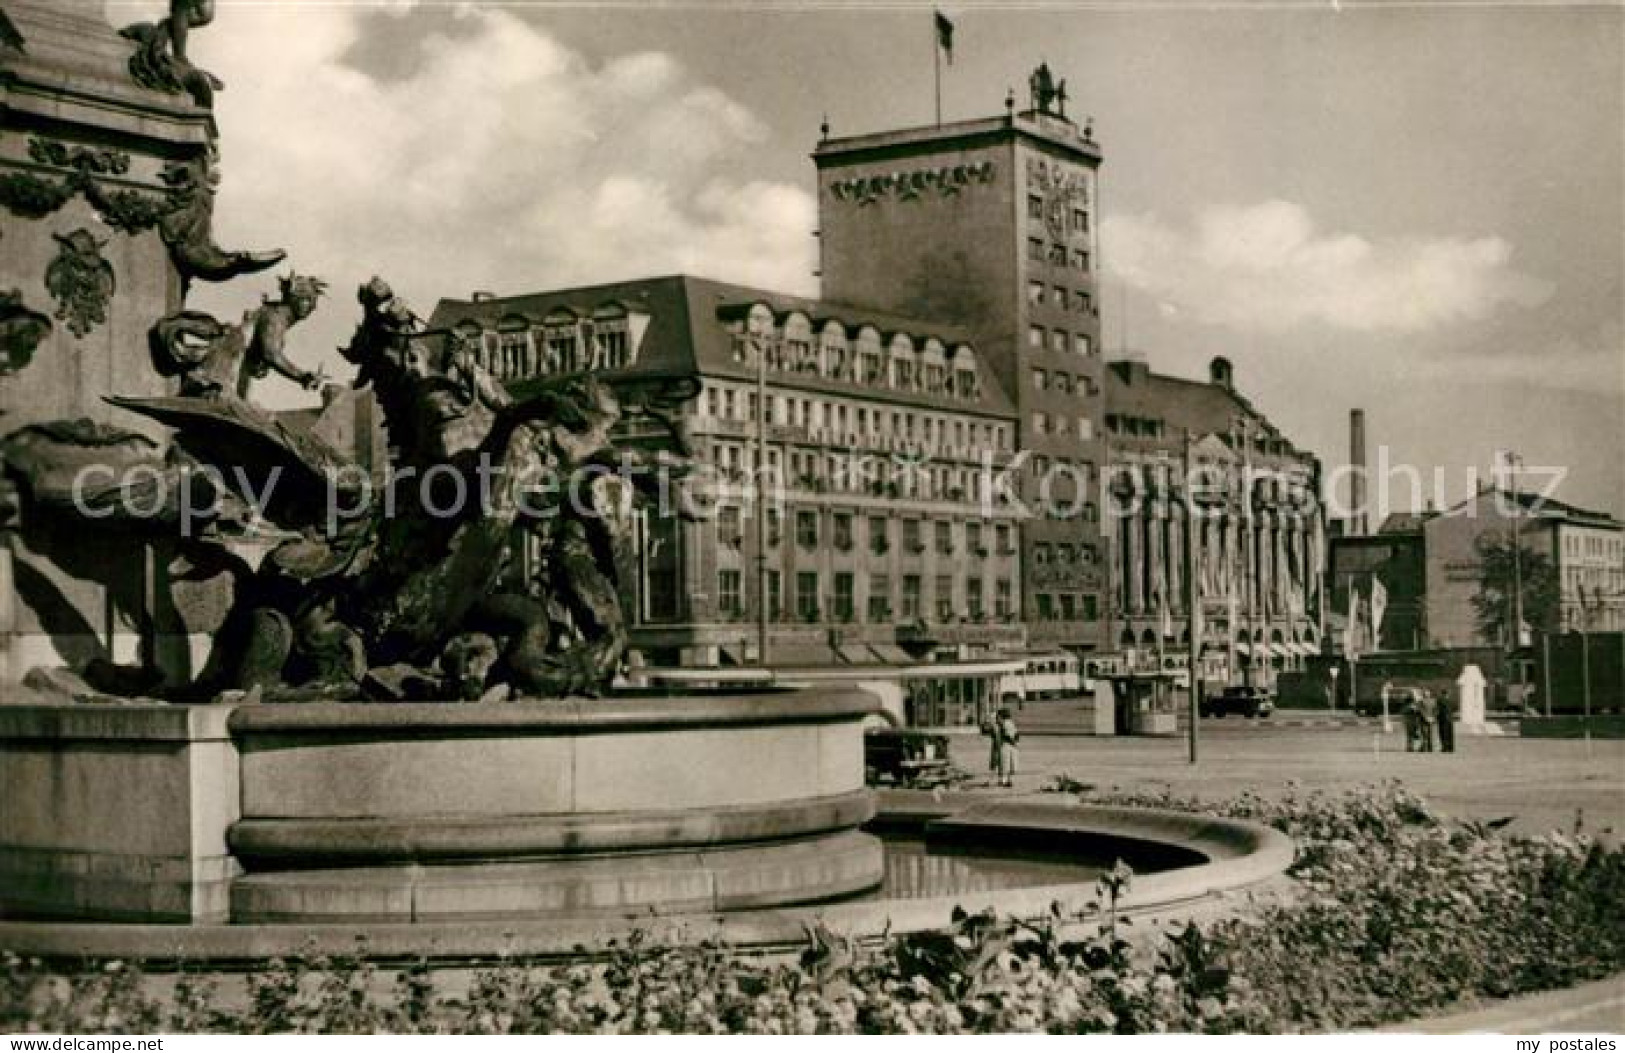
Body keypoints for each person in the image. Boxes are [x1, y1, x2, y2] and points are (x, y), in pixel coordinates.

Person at [996, 707, 1020, 788]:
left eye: (998, 717)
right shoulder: (1011, 723)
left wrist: (1013, 742)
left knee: (1004, 762)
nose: (997, 718)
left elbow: (1007, 735)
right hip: (1012, 745)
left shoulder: (1005, 724)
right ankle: (1009, 780)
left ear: (1002, 716)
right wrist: (1016, 742)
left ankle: (1003, 780)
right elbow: (1017, 734)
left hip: (1006, 745)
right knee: (1011, 763)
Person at [1436, 689, 1456, 753]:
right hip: (1450, 719)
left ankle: (1444, 747)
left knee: (1443, 733)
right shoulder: (1450, 700)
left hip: (1443, 719)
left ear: (1442, 693)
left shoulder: (1439, 700)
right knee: (1450, 734)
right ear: (1447, 694)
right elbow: (1454, 708)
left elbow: (1438, 709)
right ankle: (1450, 747)